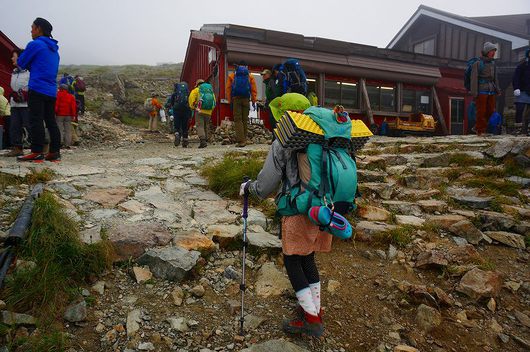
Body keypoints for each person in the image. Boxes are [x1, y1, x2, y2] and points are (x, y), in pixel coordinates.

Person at [16, 17, 61, 162]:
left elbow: (21, 63)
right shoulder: (55, 50)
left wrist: (25, 59)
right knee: (50, 121)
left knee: (36, 120)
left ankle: (37, 151)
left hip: (37, 88)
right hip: (51, 90)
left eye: (32, 27)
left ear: (39, 29)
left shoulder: (35, 44)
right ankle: (54, 153)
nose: (31, 30)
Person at [470, 42, 500, 136]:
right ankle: (480, 131)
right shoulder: (478, 64)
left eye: (494, 51)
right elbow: (474, 79)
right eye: (492, 51)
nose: (493, 53)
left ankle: (477, 127)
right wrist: (474, 93)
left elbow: (495, 78)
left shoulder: (493, 64)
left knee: (491, 110)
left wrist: (498, 90)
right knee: (481, 111)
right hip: (481, 90)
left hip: (491, 90)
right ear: (487, 52)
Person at [5, 49, 30, 157]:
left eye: (13, 56)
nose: (11, 58)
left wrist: (23, 94)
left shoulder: (29, 72)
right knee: (14, 126)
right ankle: (17, 148)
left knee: (30, 125)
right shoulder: (14, 72)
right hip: (15, 104)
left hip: (26, 105)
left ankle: (40, 146)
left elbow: (32, 87)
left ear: (20, 58)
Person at [226, 61, 257, 147]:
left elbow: (228, 89)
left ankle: (241, 141)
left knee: (238, 119)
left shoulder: (232, 75)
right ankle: (245, 139)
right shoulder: (250, 76)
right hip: (246, 99)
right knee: (244, 119)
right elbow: (253, 89)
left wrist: (230, 100)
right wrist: (254, 100)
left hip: (236, 99)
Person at [189, 79, 216, 148]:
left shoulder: (196, 90)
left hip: (199, 110)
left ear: (197, 84)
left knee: (200, 125)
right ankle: (206, 139)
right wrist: (210, 110)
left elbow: (191, 99)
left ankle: (203, 141)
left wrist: (193, 107)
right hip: (209, 111)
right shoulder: (210, 90)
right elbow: (214, 101)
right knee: (206, 125)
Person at [513, 48, 530, 135]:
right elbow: (516, 77)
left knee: (528, 113)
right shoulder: (521, 66)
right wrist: (516, 88)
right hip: (522, 91)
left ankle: (527, 129)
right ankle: (518, 128)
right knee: (519, 109)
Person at [169, 82, 192, 147]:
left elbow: (172, 103)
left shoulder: (175, 93)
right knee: (185, 125)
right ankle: (185, 141)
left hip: (177, 110)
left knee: (177, 124)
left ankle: (177, 134)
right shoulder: (188, 93)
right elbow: (190, 102)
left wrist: (174, 108)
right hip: (186, 110)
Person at [55, 84, 77, 148]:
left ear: (60, 88)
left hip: (59, 115)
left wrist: (55, 113)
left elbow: (56, 105)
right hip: (68, 115)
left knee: (60, 129)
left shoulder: (57, 95)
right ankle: (67, 144)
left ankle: (60, 143)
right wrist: (73, 116)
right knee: (68, 130)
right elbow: (73, 107)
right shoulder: (71, 96)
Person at [261, 69, 281, 139]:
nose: (263, 76)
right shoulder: (268, 83)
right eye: (262, 75)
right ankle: (274, 138)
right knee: (271, 121)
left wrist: (272, 103)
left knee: (273, 121)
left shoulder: (271, 82)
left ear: (269, 75)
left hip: (273, 104)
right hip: (271, 103)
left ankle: (275, 138)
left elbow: (274, 93)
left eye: (264, 74)